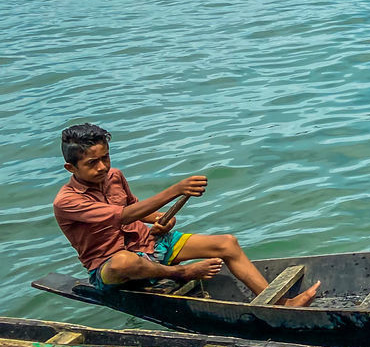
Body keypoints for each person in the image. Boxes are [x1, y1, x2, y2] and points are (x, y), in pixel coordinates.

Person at [53, 123, 320, 307]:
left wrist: (161, 219)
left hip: (150, 245)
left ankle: (281, 303)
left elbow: (138, 209)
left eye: (105, 158)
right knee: (124, 263)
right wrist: (176, 190)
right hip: (110, 267)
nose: (103, 167)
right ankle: (180, 273)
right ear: (70, 167)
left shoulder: (115, 176)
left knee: (227, 243)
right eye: (92, 163)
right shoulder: (67, 201)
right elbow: (123, 215)